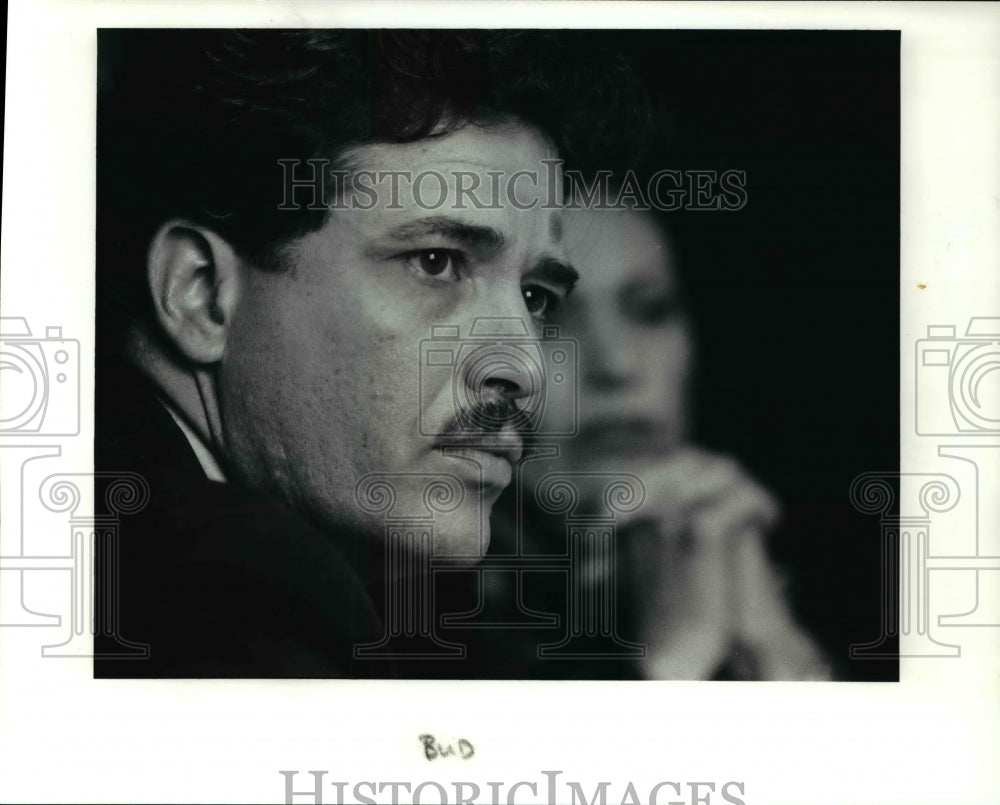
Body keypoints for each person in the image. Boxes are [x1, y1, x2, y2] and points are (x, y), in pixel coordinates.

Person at [93, 30, 648, 677]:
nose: (522, 365)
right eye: (436, 262)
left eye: (536, 295)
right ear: (200, 293)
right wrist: (671, 671)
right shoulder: (226, 585)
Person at [478, 201, 832, 680]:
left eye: (650, 310)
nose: (618, 364)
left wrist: (777, 651)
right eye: (548, 313)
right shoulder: (400, 638)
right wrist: (676, 665)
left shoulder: (777, 568)